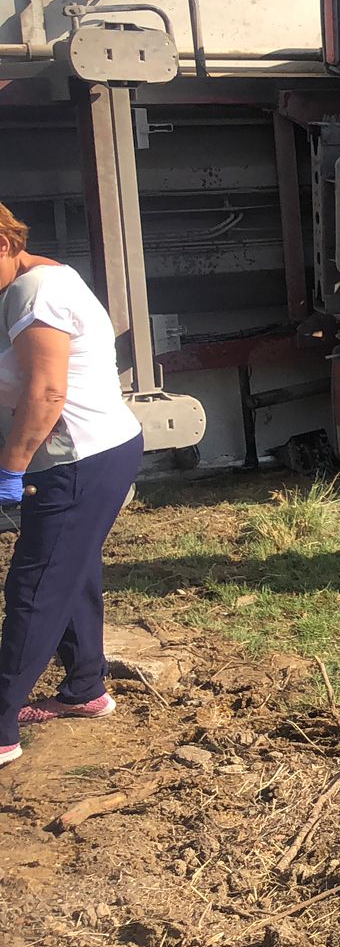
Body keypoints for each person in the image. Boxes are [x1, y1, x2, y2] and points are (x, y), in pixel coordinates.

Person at [0, 201, 144, 767]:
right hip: (96, 451)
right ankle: (86, 688)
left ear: (8, 240)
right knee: (71, 568)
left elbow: (46, 394)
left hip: (75, 460)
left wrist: (10, 468)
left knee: (34, 588)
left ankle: (2, 727)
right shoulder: (42, 279)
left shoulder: (34, 293)